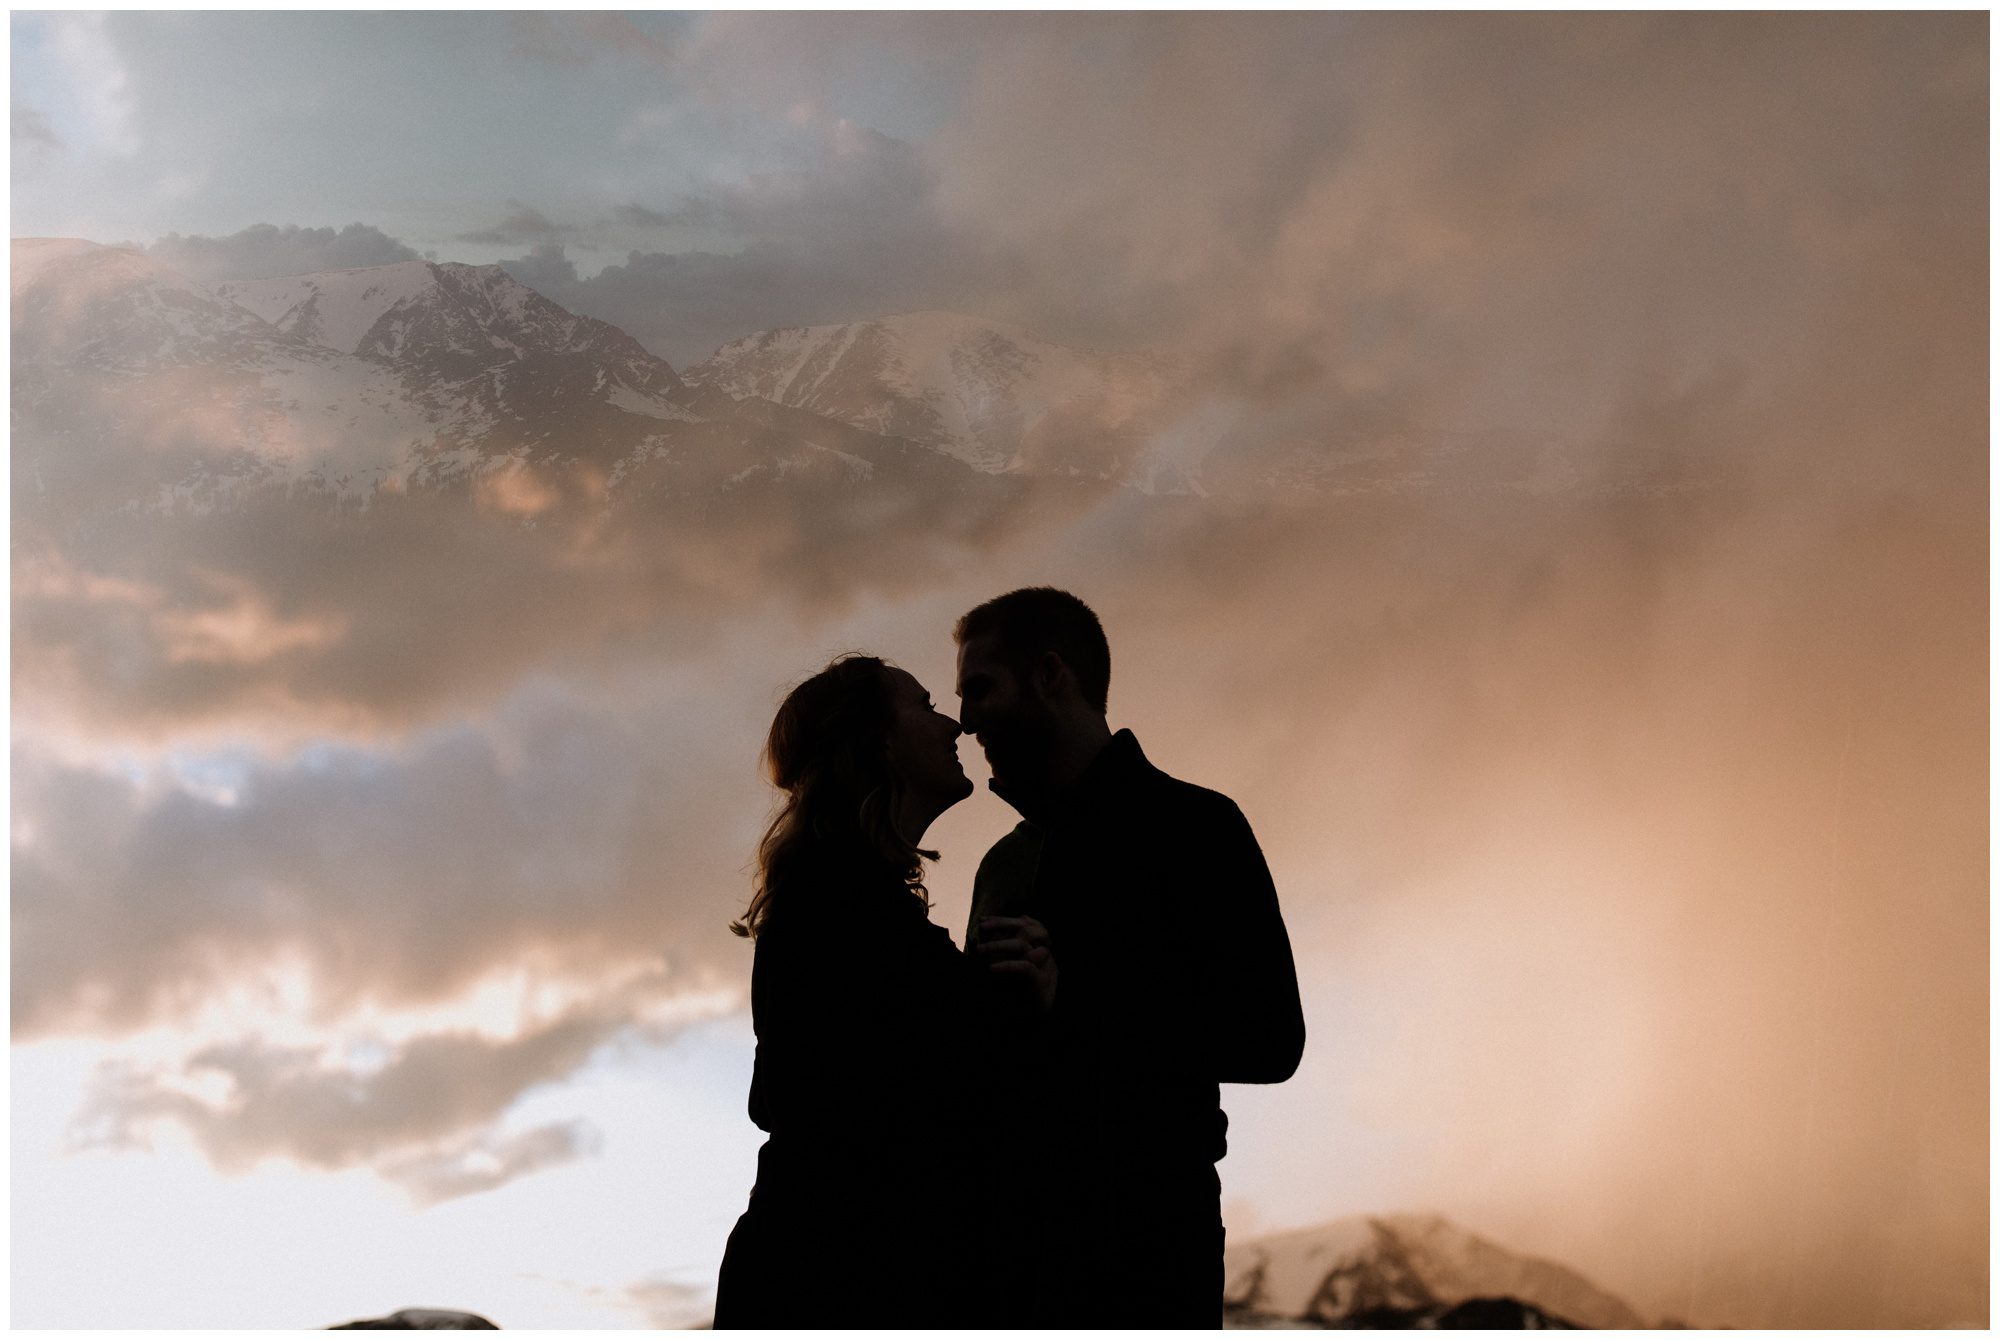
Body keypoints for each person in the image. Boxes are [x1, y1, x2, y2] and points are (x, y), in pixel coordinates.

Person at [955, 587, 1306, 1328]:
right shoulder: (1000, 865)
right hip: (1002, 1252)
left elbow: (1273, 1038)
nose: (965, 719)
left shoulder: (1198, 827)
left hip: (1144, 1248)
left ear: (1050, 674)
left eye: (980, 688)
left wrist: (1073, 999)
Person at [712, 653, 1055, 1329]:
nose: (954, 724)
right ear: (877, 741)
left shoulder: (836, 898)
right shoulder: (843, 908)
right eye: (924, 707)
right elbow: (935, 1104)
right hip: (845, 1288)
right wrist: (1034, 1002)